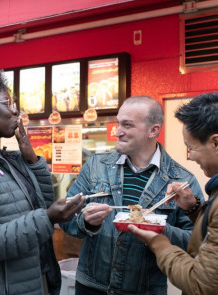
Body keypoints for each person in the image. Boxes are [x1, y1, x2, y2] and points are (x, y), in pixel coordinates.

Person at [0, 65, 85, 295]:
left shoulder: (4, 158)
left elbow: (42, 202)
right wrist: (48, 218)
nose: (15, 112)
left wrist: (32, 159)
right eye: (6, 105)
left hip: (25, 280)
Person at [60, 96, 204, 295]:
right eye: (118, 123)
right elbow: (65, 218)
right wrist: (87, 221)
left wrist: (159, 229)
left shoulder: (182, 180)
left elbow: (197, 242)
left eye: (127, 125)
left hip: (145, 290)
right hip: (92, 286)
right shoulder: (96, 166)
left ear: (153, 130)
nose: (117, 132)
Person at [129, 92, 218, 295]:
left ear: (216, 143)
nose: (190, 157)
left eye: (191, 148)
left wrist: (158, 242)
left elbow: (202, 286)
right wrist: (193, 208)